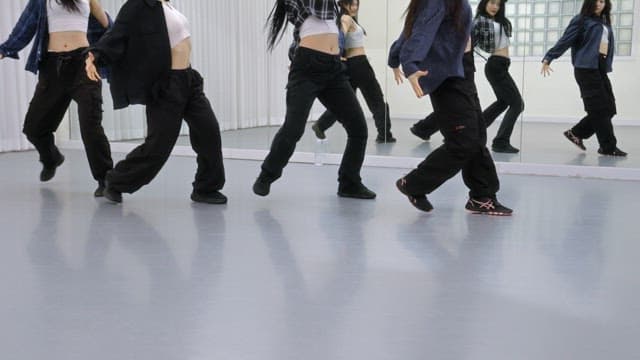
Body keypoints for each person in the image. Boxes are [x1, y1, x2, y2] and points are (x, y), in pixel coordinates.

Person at [85, 0, 227, 203]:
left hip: (189, 80)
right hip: (166, 85)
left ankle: (205, 188)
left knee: (209, 131)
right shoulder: (138, 5)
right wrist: (94, 56)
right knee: (158, 146)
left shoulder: (167, 5)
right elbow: (117, 33)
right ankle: (115, 181)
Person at [389, 0, 513, 215]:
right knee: (463, 142)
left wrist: (394, 56)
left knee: (476, 136)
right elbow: (421, 31)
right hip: (446, 75)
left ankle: (482, 197)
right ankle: (413, 184)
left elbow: (413, 27)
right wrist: (409, 63)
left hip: (462, 68)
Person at [253, 0, 376, 199]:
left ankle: (349, 183)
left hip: (334, 69)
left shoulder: (333, 9)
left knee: (358, 128)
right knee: (293, 129)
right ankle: (267, 174)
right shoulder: (311, 3)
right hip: (308, 68)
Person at [0, 0, 113, 196]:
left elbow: (109, 29)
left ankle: (106, 180)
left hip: (83, 65)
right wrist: (4, 49)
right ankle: (51, 158)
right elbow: (24, 27)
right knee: (34, 128)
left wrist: (98, 55)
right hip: (52, 68)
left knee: (91, 125)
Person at [542, 0, 626, 157]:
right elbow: (565, 40)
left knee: (609, 107)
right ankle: (608, 147)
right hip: (586, 68)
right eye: (595, 1)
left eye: (602, 1)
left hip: (599, 68)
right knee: (599, 108)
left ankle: (576, 133)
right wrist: (549, 57)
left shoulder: (604, 21)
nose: (598, 4)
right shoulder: (581, 20)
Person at [311, 0, 395, 143]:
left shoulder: (349, 19)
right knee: (376, 99)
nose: (355, 7)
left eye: (357, 4)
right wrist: (340, 55)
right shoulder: (346, 18)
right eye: (352, 4)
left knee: (346, 101)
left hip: (351, 65)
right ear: (344, 4)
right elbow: (340, 36)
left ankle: (321, 125)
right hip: (359, 64)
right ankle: (384, 134)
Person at [473, 0, 523, 153]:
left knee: (503, 102)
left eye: (498, 4)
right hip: (495, 65)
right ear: (484, 3)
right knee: (517, 104)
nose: (495, 7)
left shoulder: (499, 21)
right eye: (492, 3)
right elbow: (468, 42)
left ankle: (473, 131)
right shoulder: (479, 21)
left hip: (501, 65)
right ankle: (500, 142)